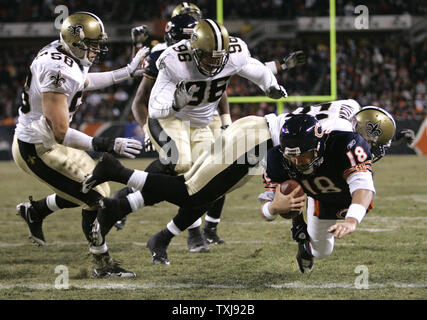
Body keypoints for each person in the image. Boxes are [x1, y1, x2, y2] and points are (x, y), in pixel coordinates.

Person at [114, 2, 306, 249]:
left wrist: (272, 76)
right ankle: (143, 207)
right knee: (181, 169)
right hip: (173, 118)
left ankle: (202, 226)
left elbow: (232, 71)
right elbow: (145, 101)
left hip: (205, 118)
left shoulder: (217, 51)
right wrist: (149, 127)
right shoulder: (165, 57)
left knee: (212, 174)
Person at [13, 12, 149, 278]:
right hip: (37, 149)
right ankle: (102, 265)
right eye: (93, 44)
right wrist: (109, 144)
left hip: (50, 142)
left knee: (100, 186)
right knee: (96, 202)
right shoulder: (56, 69)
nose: (97, 49)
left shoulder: (65, 54)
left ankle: (36, 210)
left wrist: (126, 73)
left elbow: (83, 82)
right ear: (75, 42)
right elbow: (62, 132)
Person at [257, 114, 376, 273]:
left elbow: (364, 185)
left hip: (348, 193)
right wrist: (273, 208)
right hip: (320, 198)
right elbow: (266, 210)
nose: (297, 162)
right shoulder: (275, 160)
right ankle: (305, 244)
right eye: (291, 157)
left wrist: (352, 220)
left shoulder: (345, 144)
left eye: (302, 155)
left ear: (318, 147)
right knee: (322, 251)